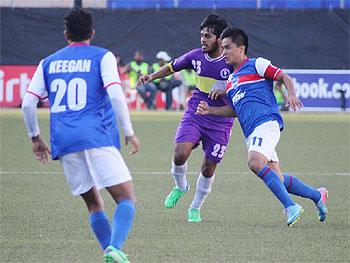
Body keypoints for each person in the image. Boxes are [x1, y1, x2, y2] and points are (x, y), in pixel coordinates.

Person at [21, 9, 140, 263]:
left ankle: (110, 252)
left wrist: (35, 138)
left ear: (66, 34)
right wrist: (129, 131)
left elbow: (28, 103)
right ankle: (115, 248)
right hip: (96, 136)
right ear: (92, 33)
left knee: (94, 204)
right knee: (126, 198)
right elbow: (116, 94)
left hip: (64, 141)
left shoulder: (48, 62)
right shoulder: (102, 56)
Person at [196, 27, 328, 226]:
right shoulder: (231, 81)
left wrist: (291, 93)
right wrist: (211, 111)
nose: (224, 52)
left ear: (241, 48)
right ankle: (317, 195)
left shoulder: (257, 64)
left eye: (228, 47)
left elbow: (284, 77)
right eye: (222, 48)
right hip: (251, 133)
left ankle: (291, 206)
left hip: (266, 124)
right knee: (278, 179)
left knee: (255, 163)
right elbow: (235, 111)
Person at [138, 14, 234, 223]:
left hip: (221, 119)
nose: (202, 40)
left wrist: (225, 90)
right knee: (180, 154)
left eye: (207, 36)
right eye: (201, 35)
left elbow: (243, 86)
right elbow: (173, 66)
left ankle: (195, 207)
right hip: (197, 110)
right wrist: (151, 77)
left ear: (219, 39)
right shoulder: (196, 56)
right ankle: (181, 186)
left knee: (209, 167)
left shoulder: (232, 62)